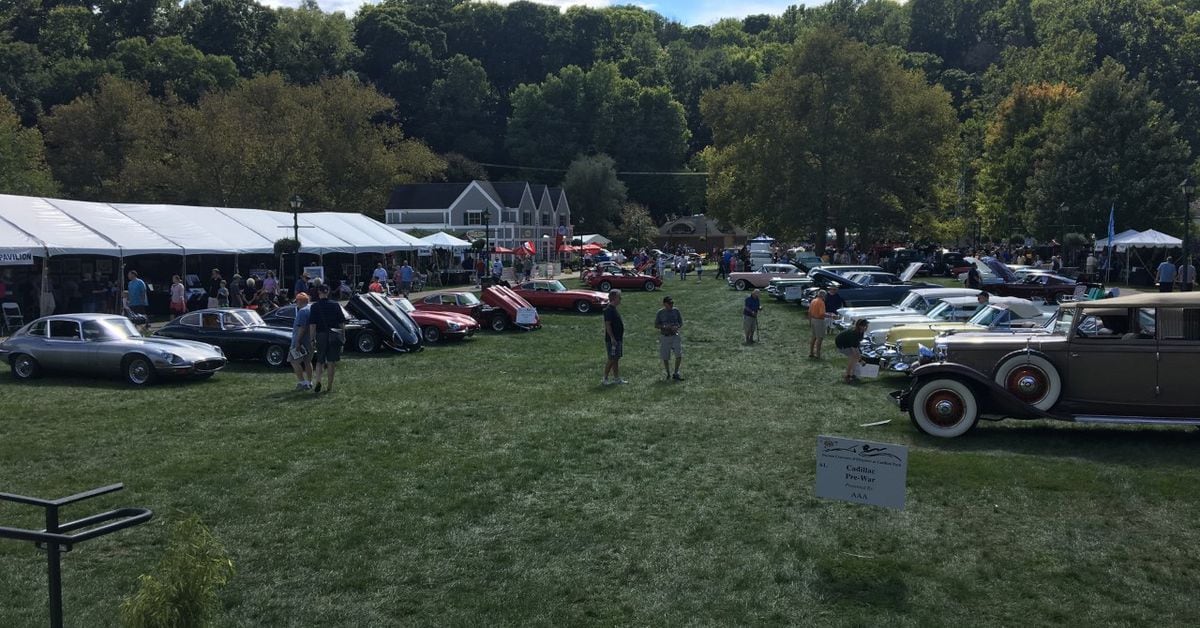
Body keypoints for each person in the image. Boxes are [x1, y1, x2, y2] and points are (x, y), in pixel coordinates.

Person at [308, 283, 346, 394]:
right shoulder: (335, 305)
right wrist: (343, 336)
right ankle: (329, 386)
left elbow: (312, 325)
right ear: (328, 292)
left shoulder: (314, 306)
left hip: (320, 335)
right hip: (334, 334)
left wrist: (312, 339)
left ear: (318, 293)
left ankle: (318, 381)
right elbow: (341, 322)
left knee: (320, 360)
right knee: (331, 361)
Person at [654, 295, 684, 380]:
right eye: (669, 303)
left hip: (675, 336)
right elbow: (656, 325)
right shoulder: (660, 313)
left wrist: (677, 326)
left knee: (679, 354)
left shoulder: (676, 311)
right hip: (665, 336)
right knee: (665, 357)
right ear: (664, 304)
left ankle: (676, 373)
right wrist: (664, 326)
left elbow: (681, 323)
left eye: (672, 303)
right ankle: (668, 374)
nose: (671, 305)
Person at [289, 292, 314, 391]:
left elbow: (302, 327)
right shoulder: (311, 308)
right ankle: (309, 382)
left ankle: (302, 382)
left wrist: (298, 341)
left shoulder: (302, 311)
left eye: (297, 301)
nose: (296, 303)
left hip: (301, 340)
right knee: (308, 361)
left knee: (293, 361)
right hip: (310, 340)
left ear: (300, 301)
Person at [602, 289, 626, 385]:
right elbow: (607, 325)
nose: (620, 299)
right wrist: (612, 338)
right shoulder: (608, 310)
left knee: (616, 358)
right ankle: (605, 378)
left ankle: (616, 378)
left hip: (618, 339)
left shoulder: (614, 309)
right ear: (614, 298)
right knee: (611, 358)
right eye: (619, 297)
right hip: (612, 340)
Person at [836, 319, 869, 383]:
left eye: (866, 325)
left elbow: (856, 346)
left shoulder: (861, 331)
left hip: (849, 344)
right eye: (865, 326)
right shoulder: (854, 333)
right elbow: (854, 350)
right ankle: (847, 376)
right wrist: (860, 361)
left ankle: (853, 374)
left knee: (857, 356)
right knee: (852, 358)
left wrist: (859, 358)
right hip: (842, 344)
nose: (866, 327)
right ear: (860, 326)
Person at [808, 289, 827, 359]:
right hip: (819, 321)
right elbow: (822, 314)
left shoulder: (813, 301)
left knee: (814, 337)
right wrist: (831, 316)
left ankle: (811, 352)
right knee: (820, 338)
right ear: (823, 296)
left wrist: (810, 321)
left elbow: (809, 312)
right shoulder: (821, 302)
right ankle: (818, 354)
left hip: (813, 319)